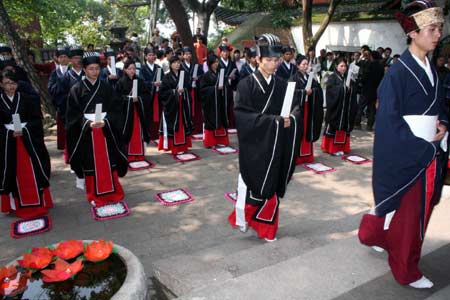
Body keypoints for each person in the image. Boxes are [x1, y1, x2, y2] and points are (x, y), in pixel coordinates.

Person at [358, 0, 448, 289]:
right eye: (432, 29)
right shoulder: (397, 73)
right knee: (411, 213)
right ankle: (405, 269)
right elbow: (388, 122)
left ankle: (373, 235)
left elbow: (438, 106)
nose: (437, 35)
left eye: (439, 29)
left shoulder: (432, 69)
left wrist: (443, 123)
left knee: (410, 209)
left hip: (427, 147)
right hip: (412, 150)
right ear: (413, 32)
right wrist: (421, 149)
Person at [228, 33, 302, 242]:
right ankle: (244, 217)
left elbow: (295, 107)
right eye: (268, 59)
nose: (273, 63)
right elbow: (242, 116)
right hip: (256, 145)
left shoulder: (282, 84)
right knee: (255, 185)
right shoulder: (245, 85)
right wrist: (275, 121)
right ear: (258, 60)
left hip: (277, 142)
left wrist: (292, 119)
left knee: (273, 187)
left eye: (276, 60)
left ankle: (268, 229)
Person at [66, 52, 128, 207]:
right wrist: (87, 124)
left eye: (96, 69)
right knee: (91, 163)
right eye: (91, 69)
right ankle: (93, 193)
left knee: (108, 161)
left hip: (106, 131)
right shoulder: (76, 89)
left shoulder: (106, 87)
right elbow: (72, 115)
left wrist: (107, 121)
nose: (94, 72)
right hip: (87, 133)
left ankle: (113, 190)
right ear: (85, 70)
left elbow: (116, 108)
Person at [0, 70, 52, 219]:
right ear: (1, 85)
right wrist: (8, 133)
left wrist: (26, 129)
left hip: (27, 140)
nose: (11, 86)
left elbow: (36, 120)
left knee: (33, 169)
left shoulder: (27, 99)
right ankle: (14, 204)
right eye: (7, 83)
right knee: (12, 170)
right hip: (8, 143)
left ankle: (39, 201)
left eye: (13, 83)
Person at [116, 59, 152, 169]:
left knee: (139, 131)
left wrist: (139, 99)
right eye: (129, 69)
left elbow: (147, 95)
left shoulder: (140, 81)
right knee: (129, 132)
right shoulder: (120, 82)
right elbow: (117, 98)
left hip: (138, 111)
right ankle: (129, 155)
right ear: (125, 70)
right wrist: (129, 99)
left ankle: (140, 154)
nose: (132, 71)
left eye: (134, 69)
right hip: (127, 113)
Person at [321, 57, 357, 156]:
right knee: (334, 126)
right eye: (341, 66)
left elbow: (352, 89)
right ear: (336, 66)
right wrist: (343, 89)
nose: (343, 68)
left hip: (345, 108)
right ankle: (332, 148)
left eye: (345, 66)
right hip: (336, 108)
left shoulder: (347, 77)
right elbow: (330, 91)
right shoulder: (332, 78)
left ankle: (342, 147)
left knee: (344, 126)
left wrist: (350, 88)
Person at [158, 56, 193, 154]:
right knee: (173, 124)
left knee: (182, 123)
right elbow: (162, 93)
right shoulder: (166, 77)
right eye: (175, 63)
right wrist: (175, 92)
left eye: (178, 63)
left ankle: (183, 145)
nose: (177, 64)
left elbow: (189, 88)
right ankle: (174, 146)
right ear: (170, 64)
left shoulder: (184, 75)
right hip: (172, 105)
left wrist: (184, 91)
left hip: (182, 104)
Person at [293, 54, 323, 164]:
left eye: (307, 64)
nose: (305, 66)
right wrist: (304, 92)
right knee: (300, 131)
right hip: (299, 108)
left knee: (308, 129)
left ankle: (308, 156)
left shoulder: (309, 77)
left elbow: (318, 88)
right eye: (303, 64)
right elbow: (292, 93)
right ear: (298, 65)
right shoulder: (294, 78)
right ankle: (297, 156)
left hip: (309, 107)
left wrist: (313, 91)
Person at [199, 54, 230, 148]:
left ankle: (221, 140)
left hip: (220, 100)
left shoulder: (221, 74)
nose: (216, 64)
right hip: (211, 103)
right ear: (210, 64)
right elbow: (202, 90)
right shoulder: (206, 76)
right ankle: (210, 142)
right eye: (214, 62)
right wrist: (215, 88)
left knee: (221, 118)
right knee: (211, 120)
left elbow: (226, 86)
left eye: (217, 62)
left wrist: (223, 88)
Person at [48, 46, 70, 151]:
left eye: (66, 56)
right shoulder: (54, 73)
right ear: (57, 58)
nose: (64, 59)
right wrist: (62, 83)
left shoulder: (72, 71)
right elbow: (51, 89)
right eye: (61, 57)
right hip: (61, 104)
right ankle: (65, 147)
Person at [140, 46, 164, 140]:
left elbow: (164, 80)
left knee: (159, 113)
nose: (151, 57)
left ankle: (158, 133)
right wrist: (152, 84)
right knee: (148, 115)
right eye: (149, 55)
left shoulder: (159, 68)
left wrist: (161, 83)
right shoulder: (142, 69)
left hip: (158, 95)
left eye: (153, 55)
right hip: (148, 96)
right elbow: (141, 82)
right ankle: (148, 134)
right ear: (145, 57)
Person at [181, 47, 204, 134]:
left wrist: (198, 78)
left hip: (196, 90)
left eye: (189, 54)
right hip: (186, 91)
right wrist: (191, 79)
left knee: (197, 109)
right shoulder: (181, 66)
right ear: (183, 56)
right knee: (186, 108)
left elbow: (202, 75)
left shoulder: (195, 66)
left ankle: (197, 127)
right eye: (186, 54)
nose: (188, 55)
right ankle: (187, 127)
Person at [218, 45, 239, 128]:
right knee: (222, 105)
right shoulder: (218, 63)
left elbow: (237, 74)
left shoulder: (232, 63)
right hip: (221, 88)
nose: (225, 53)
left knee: (230, 105)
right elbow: (217, 75)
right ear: (220, 53)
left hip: (230, 88)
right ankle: (223, 123)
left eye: (227, 52)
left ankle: (230, 123)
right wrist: (227, 78)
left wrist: (234, 77)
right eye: (223, 52)